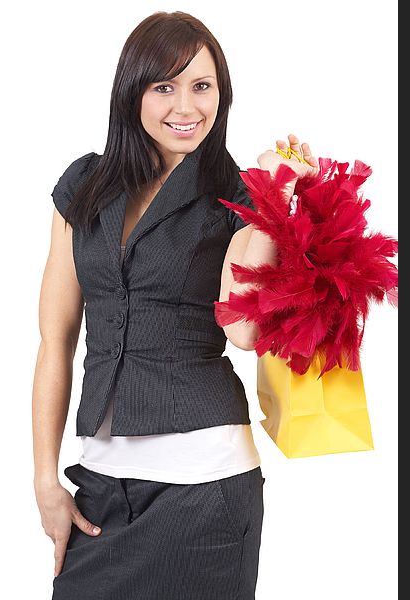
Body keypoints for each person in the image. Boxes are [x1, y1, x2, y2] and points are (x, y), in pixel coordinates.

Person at [32, 10, 318, 600]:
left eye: (202, 86)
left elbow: (241, 329)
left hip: (205, 490)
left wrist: (274, 199)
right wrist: (44, 480)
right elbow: (55, 339)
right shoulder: (84, 185)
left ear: (222, 94)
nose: (185, 107)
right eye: (164, 86)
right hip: (101, 489)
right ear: (132, 91)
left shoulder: (237, 196)